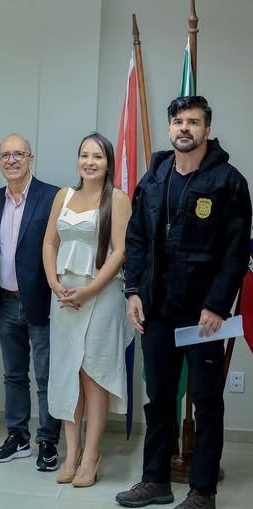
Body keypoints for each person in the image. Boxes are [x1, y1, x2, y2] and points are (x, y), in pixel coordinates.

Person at [116, 96, 252, 509]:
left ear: (207, 129)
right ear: (170, 128)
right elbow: (136, 239)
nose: (185, 128)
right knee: (159, 398)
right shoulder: (154, 177)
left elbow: (235, 252)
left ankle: (203, 491)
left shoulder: (229, 182)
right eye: (178, 121)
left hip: (203, 315)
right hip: (157, 309)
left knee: (207, 402)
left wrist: (216, 304)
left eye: (193, 122)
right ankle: (155, 480)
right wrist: (134, 291)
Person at [43, 132, 132, 487]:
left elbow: (120, 251)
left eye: (97, 156)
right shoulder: (63, 196)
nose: (90, 162)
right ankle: (72, 453)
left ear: (108, 162)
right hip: (64, 295)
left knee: (92, 374)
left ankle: (92, 456)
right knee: (68, 372)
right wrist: (54, 283)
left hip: (101, 294)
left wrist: (91, 289)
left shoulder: (118, 199)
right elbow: (50, 242)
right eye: (84, 155)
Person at [0, 133, 62, 471]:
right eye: (5, 155)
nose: (12, 160)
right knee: (14, 375)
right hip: (5, 301)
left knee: (46, 376)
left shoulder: (52, 196)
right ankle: (18, 437)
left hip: (42, 301)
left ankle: (48, 441)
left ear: (31, 158)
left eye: (18, 154)